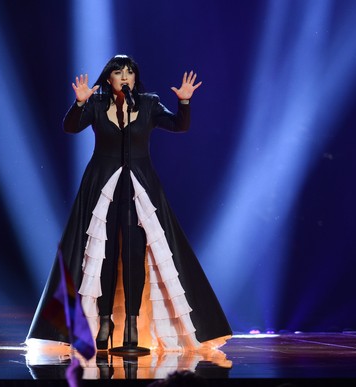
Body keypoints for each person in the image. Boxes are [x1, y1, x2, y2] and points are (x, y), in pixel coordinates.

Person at [26, 55, 232, 352]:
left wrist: (184, 103)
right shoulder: (96, 104)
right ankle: (104, 322)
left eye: (130, 72)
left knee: (137, 253)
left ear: (136, 78)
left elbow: (178, 126)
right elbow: (70, 128)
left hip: (140, 187)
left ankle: (133, 326)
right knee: (102, 254)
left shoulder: (149, 103)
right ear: (108, 78)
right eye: (119, 72)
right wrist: (80, 102)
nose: (125, 76)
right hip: (102, 187)